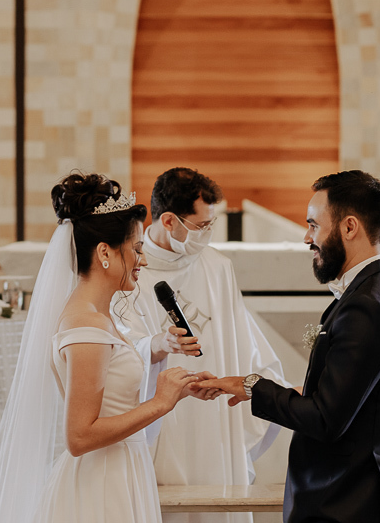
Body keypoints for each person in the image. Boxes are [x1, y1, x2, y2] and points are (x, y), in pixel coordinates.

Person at [196, 170, 380, 522]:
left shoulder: (366, 306)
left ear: (349, 227)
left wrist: (253, 386)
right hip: (367, 490)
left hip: (347, 502)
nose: (306, 237)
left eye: (313, 225)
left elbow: (326, 420)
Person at [0, 172, 218, 523]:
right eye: (136, 249)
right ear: (105, 251)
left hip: (118, 471)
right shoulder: (85, 325)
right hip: (101, 483)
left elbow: (113, 397)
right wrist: (160, 403)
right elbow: (79, 435)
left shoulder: (96, 317)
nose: (143, 260)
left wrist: (178, 389)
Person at [116, 167, 289, 523]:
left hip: (214, 416)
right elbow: (119, 340)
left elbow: (239, 338)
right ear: (168, 220)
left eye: (211, 225)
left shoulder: (217, 267)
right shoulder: (133, 267)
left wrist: (260, 381)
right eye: (200, 226)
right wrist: (156, 343)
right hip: (161, 411)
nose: (207, 234)